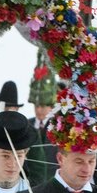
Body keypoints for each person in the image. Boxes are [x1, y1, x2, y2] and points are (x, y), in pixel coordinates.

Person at [26, 54, 59, 186]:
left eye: (43, 106)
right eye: (36, 106)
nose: (39, 110)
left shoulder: (58, 127)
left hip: (52, 182)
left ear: (51, 106)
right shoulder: (27, 124)